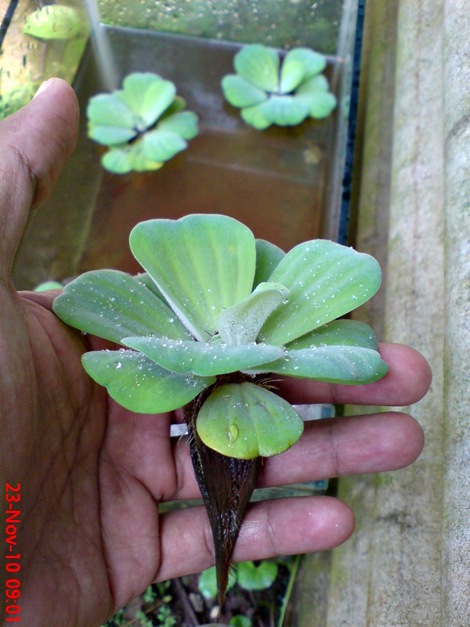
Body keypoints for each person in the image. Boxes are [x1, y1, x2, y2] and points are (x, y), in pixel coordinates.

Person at [0, 79, 431, 626]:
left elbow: (354, 349)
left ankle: (224, 581)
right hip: (188, 368)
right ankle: (223, 577)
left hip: (235, 387)